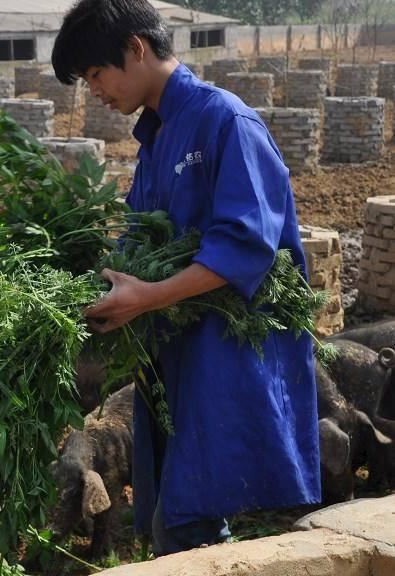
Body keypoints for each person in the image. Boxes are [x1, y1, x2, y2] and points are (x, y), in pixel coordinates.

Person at [51, 0, 321, 556]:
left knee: (186, 521)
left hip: (228, 353)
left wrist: (147, 296)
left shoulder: (226, 120)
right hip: (175, 354)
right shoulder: (157, 140)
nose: (94, 91)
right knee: (171, 518)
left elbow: (246, 245)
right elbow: (140, 243)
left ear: (137, 49)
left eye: (96, 74)